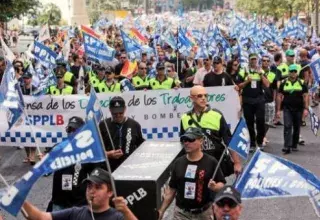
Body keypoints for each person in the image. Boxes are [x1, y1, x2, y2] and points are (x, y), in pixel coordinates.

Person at [158, 127, 226, 220]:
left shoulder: (211, 162)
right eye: (184, 140)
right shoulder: (178, 163)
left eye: (190, 139)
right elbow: (171, 190)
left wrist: (215, 187)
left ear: (201, 141)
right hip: (181, 214)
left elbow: (222, 184)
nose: (186, 143)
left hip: (204, 213)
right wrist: (162, 210)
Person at [22, 168, 138, 220]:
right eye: (89, 186)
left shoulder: (118, 216)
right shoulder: (75, 213)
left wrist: (126, 211)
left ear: (110, 192)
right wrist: (20, 199)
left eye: (98, 187)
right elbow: (40, 217)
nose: (92, 191)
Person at [180, 85, 242, 177]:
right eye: (199, 96)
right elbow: (183, 143)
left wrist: (237, 163)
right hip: (194, 164)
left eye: (205, 95)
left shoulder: (216, 115)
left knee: (216, 189)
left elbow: (229, 140)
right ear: (191, 98)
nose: (204, 98)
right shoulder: (185, 118)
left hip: (215, 164)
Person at [48, 117, 104, 211]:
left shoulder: (89, 151)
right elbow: (46, 169)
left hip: (79, 202)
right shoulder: (58, 148)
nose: (72, 132)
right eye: (70, 129)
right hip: (59, 201)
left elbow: (96, 175)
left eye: (76, 130)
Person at [99, 96, 145, 171]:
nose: (118, 115)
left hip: (129, 169)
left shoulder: (135, 125)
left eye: (121, 112)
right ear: (110, 110)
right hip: (108, 170)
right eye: (115, 113)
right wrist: (108, 154)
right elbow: (96, 150)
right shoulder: (103, 125)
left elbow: (141, 147)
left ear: (125, 109)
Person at [238, 53, 270, 152]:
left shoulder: (261, 71)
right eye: (252, 59)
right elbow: (239, 86)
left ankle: (259, 142)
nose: (253, 61)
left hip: (259, 100)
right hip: (247, 100)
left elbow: (267, 84)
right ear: (249, 60)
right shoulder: (244, 71)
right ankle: (252, 143)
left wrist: (260, 74)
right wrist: (247, 81)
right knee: (249, 123)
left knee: (260, 121)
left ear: (257, 60)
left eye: (255, 59)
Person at [276, 64, 309, 154]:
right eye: (291, 71)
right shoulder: (283, 82)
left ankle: (294, 144)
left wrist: (306, 109)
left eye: (295, 71)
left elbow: (306, 96)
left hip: (299, 109)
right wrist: (278, 110)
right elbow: (279, 96)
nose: (293, 73)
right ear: (289, 72)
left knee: (297, 127)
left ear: (297, 72)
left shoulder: (302, 83)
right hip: (287, 108)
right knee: (287, 126)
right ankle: (287, 146)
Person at [20, 72, 37, 165]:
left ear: (31, 79)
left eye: (27, 78)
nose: (25, 80)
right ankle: (28, 155)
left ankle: (33, 155)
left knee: (32, 135)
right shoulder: (20, 89)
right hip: (23, 115)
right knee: (24, 135)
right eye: (24, 78)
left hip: (32, 115)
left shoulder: (35, 89)